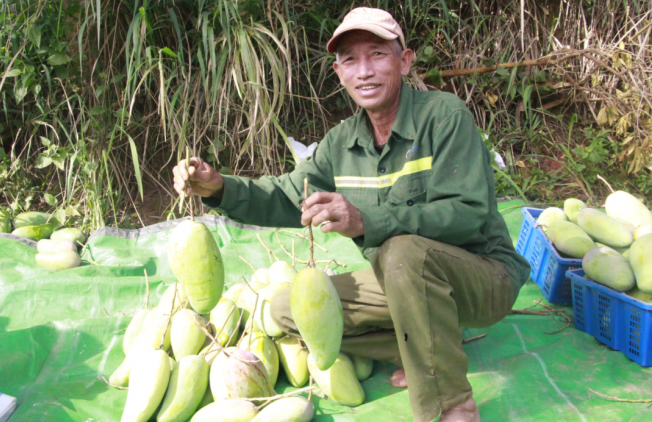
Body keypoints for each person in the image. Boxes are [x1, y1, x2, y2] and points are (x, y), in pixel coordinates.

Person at [172, 7, 530, 422]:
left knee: (399, 251)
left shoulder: (444, 117)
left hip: (483, 278)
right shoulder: (341, 143)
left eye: (377, 54)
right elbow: (289, 195)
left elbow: (468, 213)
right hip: (405, 283)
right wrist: (219, 187)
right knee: (287, 309)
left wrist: (366, 221)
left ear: (405, 60)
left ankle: (451, 406)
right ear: (339, 72)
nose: (364, 71)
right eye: (350, 60)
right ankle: (424, 351)